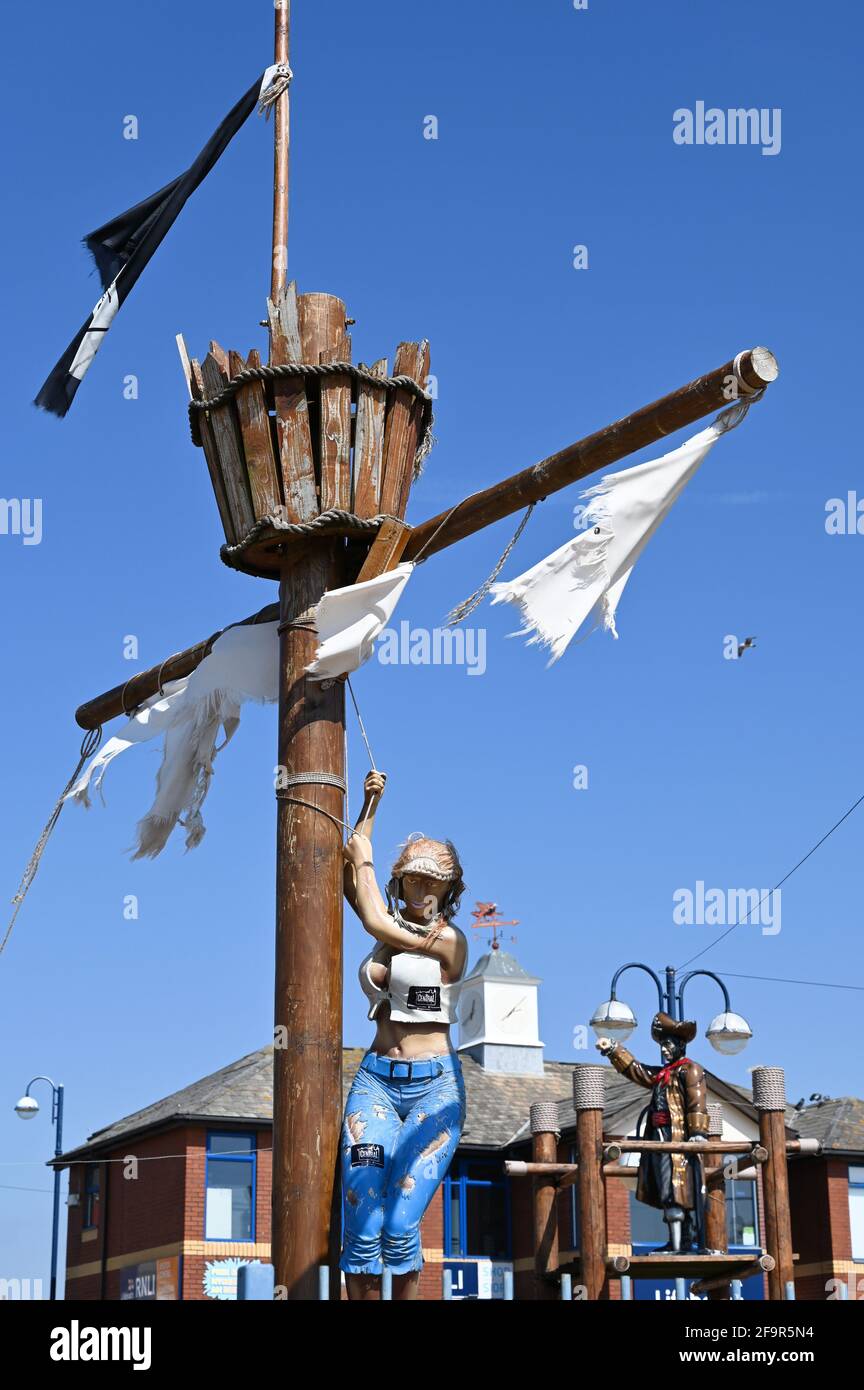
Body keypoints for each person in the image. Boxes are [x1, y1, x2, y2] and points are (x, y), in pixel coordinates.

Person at [340, 770, 469, 1300]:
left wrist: (364, 845)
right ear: (400, 882)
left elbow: (371, 915)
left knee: (399, 1222)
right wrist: (370, 807)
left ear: (450, 889)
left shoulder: (450, 942)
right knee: (363, 1215)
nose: (423, 890)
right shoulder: (387, 934)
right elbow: (352, 876)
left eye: (434, 882)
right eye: (414, 880)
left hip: (434, 1089)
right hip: (376, 1082)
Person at [596, 1012, 709, 1253]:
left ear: (680, 1046)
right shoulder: (662, 1075)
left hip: (677, 1139)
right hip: (660, 1139)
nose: (665, 1050)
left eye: (668, 1045)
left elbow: (696, 1100)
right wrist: (614, 1050)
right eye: (663, 1046)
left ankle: (684, 1243)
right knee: (667, 1188)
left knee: (680, 1188)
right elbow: (638, 1071)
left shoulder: (690, 1070)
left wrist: (698, 1131)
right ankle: (676, 1242)